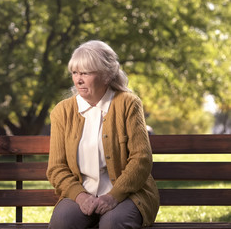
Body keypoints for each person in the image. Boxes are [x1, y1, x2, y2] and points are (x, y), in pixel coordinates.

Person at [46, 40, 160, 228]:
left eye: (85, 73)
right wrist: (80, 196)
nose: (78, 79)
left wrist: (112, 197)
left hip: (128, 194)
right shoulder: (62, 111)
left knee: (112, 222)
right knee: (62, 222)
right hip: (81, 194)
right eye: (75, 73)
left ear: (106, 76)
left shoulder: (128, 103)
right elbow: (56, 168)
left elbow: (141, 159)